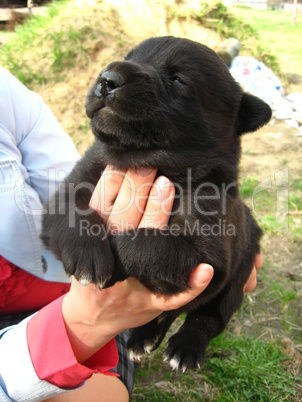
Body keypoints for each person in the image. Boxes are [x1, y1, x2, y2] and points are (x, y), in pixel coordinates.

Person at [0, 67, 262, 401]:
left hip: (63, 300)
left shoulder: (6, 93)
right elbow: (64, 211)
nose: (110, 75)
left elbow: (64, 195)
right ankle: (143, 327)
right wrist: (85, 314)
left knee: (217, 297)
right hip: (62, 319)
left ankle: (192, 333)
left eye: (178, 81)